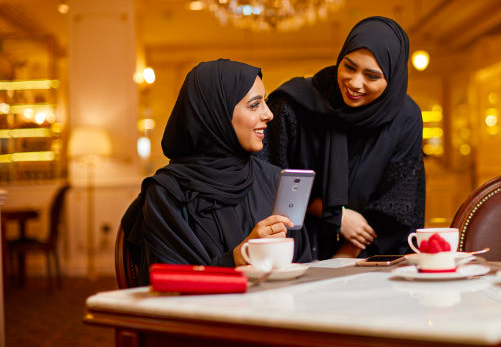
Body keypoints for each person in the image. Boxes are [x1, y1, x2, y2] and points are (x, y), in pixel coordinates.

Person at [121, 59, 313, 284]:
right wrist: (240, 256)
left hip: (281, 312)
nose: (269, 114)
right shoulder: (168, 193)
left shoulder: (272, 178)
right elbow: (174, 282)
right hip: (206, 317)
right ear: (216, 115)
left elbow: (302, 264)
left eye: (264, 103)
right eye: (254, 105)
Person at [258, 16, 425, 259]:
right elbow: (268, 179)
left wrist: (343, 262)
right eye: (349, 67)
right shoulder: (293, 105)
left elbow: (398, 204)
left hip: (368, 256)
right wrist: (335, 214)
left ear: (392, 79)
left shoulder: (405, 118)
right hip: (294, 248)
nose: (355, 83)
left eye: (372, 76)